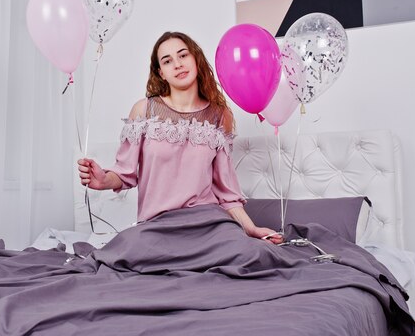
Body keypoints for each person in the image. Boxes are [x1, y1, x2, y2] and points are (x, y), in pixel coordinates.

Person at [77, 31, 283, 244]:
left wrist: (251, 229)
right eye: (167, 61)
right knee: (132, 257)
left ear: (196, 59)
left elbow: (226, 193)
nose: (177, 64)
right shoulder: (144, 111)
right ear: (161, 73)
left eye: (183, 55)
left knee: (245, 255)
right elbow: (125, 174)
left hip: (208, 223)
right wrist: (102, 180)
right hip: (157, 226)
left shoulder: (220, 116)